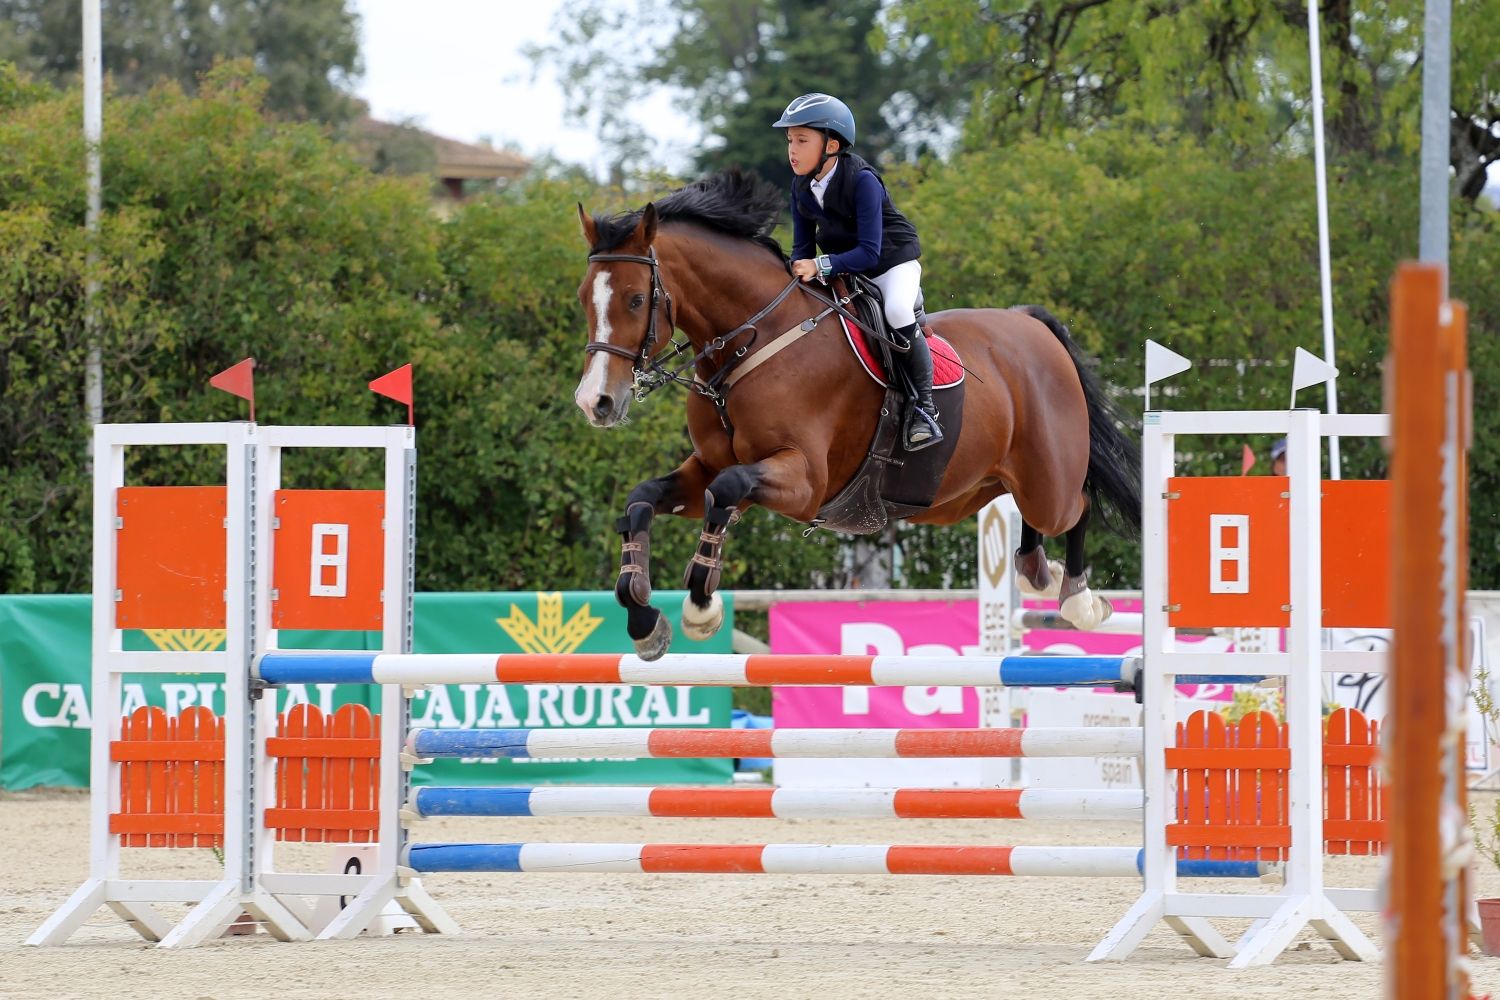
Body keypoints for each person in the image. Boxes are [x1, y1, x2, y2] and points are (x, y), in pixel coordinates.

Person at [773, 93, 941, 451]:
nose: (793, 150)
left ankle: (924, 410)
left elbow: (868, 252)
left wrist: (820, 265)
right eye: (790, 140)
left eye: (802, 140)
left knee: (896, 310)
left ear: (831, 144)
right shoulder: (801, 186)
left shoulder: (862, 180)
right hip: (847, 268)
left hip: (891, 263)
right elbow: (802, 250)